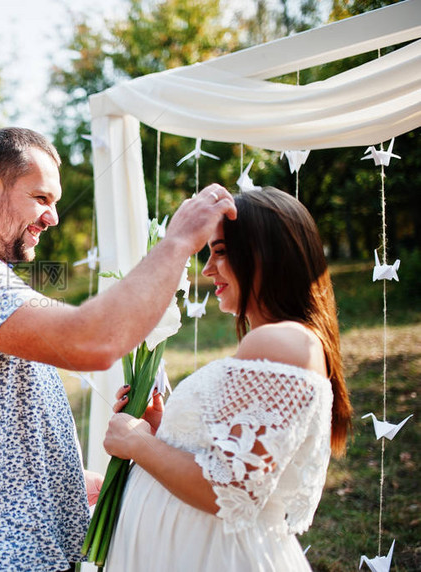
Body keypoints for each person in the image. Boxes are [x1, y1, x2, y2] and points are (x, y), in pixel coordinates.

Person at [0, 127, 236, 571]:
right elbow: (93, 341)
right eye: (41, 198)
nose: (52, 217)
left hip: (26, 546)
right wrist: (178, 242)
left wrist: (67, 479)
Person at [102, 187, 353, 571]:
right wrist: (161, 431)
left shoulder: (280, 341)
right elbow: (228, 463)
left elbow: (229, 492)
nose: (207, 269)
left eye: (219, 252)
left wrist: (137, 443)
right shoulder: (279, 341)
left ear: (265, 253)